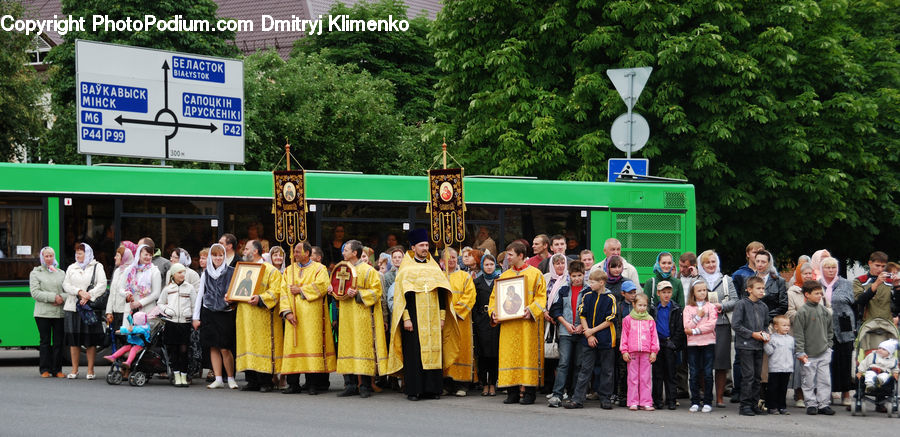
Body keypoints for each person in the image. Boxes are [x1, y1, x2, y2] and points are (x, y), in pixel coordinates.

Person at [385, 231, 459, 401]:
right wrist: (406, 318)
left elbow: (442, 295)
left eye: (426, 245)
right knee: (414, 354)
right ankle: (414, 390)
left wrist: (441, 317)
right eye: (421, 246)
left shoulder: (434, 268)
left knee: (434, 352)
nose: (425, 248)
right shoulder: (406, 269)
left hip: (433, 319)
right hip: (414, 319)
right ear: (413, 248)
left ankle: (433, 389)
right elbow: (401, 297)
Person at [490, 241, 547, 405]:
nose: (507, 257)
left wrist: (531, 310)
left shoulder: (535, 274)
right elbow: (494, 299)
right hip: (508, 326)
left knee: (527, 357)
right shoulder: (504, 276)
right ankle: (512, 392)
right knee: (510, 356)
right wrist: (493, 313)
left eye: (510, 255)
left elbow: (541, 297)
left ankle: (529, 393)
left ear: (520, 256)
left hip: (526, 325)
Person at [335, 239, 388, 398]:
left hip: (362, 317)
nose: (343, 252)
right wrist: (333, 289)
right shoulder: (342, 268)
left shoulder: (368, 270)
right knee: (347, 347)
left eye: (346, 250)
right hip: (346, 315)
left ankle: (364, 386)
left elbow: (376, 291)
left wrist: (358, 293)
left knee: (362, 348)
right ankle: (350, 385)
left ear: (354, 253)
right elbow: (338, 289)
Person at [279, 241, 332, 395]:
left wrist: (301, 289)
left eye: (297, 251)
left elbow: (322, 286)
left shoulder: (319, 269)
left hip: (311, 318)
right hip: (293, 317)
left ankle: (312, 384)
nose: (294, 254)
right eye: (294, 251)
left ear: (307, 253)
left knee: (311, 347)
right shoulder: (289, 270)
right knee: (293, 346)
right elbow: (283, 292)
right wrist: (287, 312)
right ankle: (293, 384)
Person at [235, 240, 284, 392]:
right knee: (247, 345)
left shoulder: (270, 270)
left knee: (263, 347)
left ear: (255, 251)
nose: (244, 252)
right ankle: (252, 380)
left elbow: (276, 291)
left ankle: (266, 381)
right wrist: (230, 297)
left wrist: (261, 299)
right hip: (245, 316)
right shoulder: (242, 270)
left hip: (263, 317)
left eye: (246, 249)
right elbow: (237, 289)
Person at [564, 268, 615, 409]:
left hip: (606, 339)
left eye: (592, 282)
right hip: (589, 338)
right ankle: (578, 399)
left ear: (602, 282)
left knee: (607, 370)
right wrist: (588, 333)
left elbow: (610, 319)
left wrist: (593, 330)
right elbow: (582, 314)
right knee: (585, 368)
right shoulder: (587, 296)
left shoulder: (610, 298)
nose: (590, 284)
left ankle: (605, 398)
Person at [192, 243, 238, 389]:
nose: (218, 258)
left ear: (224, 256)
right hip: (209, 311)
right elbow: (200, 295)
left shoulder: (231, 271)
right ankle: (218, 378)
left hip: (225, 313)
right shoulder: (206, 273)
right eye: (215, 255)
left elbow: (237, 292)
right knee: (213, 346)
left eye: (220, 255)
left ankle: (230, 377)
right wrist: (196, 316)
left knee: (225, 347)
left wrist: (231, 299)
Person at [697, 250, 738, 408]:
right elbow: (691, 301)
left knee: (721, 362)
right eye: (707, 262)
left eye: (713, 261)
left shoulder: (726, 280)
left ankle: (719, 398)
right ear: (702, 264)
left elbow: (735, 300)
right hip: (702, 324)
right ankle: (705, 395)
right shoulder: (697, 280)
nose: (711, 265)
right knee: (703, 361)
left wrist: (722, 305)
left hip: (721, 324)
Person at [62, 242, 107, 379]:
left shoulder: (97, 266)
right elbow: (65, 285)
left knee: (90, 340)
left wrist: (89, 295)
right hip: (72, 307)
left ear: (87, 254)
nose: (78, 255)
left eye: (80, 253)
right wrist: (79, 291)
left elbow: (102, 284)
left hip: (89, 307)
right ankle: (74, 370)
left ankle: (90, 370)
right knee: (73, 340)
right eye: (76, 253)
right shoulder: (71, 267)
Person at [729, 241, 765, 403]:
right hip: (744, 319)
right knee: (741, 360)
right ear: (748, 254)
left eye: (761, 252)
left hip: (761, 317)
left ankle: (755, 398)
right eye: (754, 252)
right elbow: (737, 297)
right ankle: (740, 392)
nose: (757, 255)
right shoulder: (739, 274)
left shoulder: (769, 274)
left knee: (757, 368)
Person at [794, 280, 835, 416]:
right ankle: (811, 403)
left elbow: (830, 330)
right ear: (807, 294)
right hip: (808, 354)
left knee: (825, 380)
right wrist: (800, 351)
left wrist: (829, 345)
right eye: (816, 293)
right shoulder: (802, 312)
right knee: (808, 380)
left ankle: (824, 403)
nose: (819, 296)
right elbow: (798, 334)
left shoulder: (824, 311)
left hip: (824, 352)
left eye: (820, 293)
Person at [820, 257, 855, 407]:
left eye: (833, 267)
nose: (831, 270)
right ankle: (828, 392)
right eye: (827, 267)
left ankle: (846, 394)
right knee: (827, 361)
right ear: (822, 269)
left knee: (845, 360)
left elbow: (852, 302)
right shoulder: (817, 284)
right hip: (823, 327)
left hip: (844, 326)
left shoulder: (846, 284)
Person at [548, 258, 583, 407]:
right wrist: (566, 324)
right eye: (573, 276)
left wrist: (582, 325)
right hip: (565, 332)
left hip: (582, 332)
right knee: (563, 363)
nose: (576, 279)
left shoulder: (588, 290)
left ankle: (574, 394)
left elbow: (590, 311)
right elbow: (555, 309)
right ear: (569, 275)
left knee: (578, 364)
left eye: (579, 275)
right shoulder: (563, 290)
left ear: (584, 274)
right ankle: (557, 394)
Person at [732, 276, 769, 416]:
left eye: (763, 288)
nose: (761, 291)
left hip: (758, 346)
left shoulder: (763, 306)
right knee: (748, 375)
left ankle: (754, 404)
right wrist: (752, 334)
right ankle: (745, 405)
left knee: (757, 377)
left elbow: (765, 325)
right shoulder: (741, 304)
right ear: (749, 289)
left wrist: (765, 334)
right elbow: (736, 325)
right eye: (758, 288)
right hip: (745, 345)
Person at [156, 263, 197, 387]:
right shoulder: (168, 289)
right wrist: (167, 310)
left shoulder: (189, 288)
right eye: (179, 272)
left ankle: (184, 375)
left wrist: (193, 317)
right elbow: (160, 302)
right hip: (172, 322)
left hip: (185, 323)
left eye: (184, 272)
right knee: (173, 350)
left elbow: (194, 305)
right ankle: (176, 375)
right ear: (173, 274)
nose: (182, 275)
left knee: (184, 350)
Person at [443, 247, 477, 397]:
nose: (451, 260)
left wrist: (455, 311)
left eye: (454, 257)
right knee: (445, 350)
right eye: (448, 257)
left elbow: (470, 296)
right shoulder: (438, 276)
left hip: (460, 320)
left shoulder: (465, 276)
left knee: (461, 349)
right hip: (443, 320)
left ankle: (462, 384)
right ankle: (446, 384)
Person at [30, 246, 66, 378]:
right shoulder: (35, 273)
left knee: (58, 341)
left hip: (59, 312)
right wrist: (53, 297)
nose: (49, 258)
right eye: (46, 256)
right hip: (43, 313)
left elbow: (68, 290)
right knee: (45, 341)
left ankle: (57, 369)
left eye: (51, 255)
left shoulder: (61, 273)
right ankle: (44, 369)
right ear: (42, 258)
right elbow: (35, 292)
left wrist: (61, 298)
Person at [683, 279, 717, 413]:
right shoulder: (688, 308)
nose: (703, 292)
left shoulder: (711, 307)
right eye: (699, 290)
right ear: (693, 293)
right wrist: (698, 317)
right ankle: (695, 401)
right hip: (693, 344)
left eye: (704, 290)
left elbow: (711, 325)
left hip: (708, 342)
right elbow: (686, 326)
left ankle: (708, 401)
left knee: (708, 373)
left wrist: (695, 331)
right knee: (694, 372)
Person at [620, 293, 659, 411]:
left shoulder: (650, 320)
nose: (642, 308)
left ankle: (646, 401)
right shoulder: (628, 319)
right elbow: (624, 336)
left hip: (646, 352)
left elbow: (654, 336)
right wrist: (624, 351)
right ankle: (633, 401)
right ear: (634, 304)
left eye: (644, 305)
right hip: (632, 352)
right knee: (632, 377)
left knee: (646, 377)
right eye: (640, 305)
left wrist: (654, 351)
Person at [650, 281, 684, 410]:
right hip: (658, 343)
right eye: (664, 292)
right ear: (658, 293)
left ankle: (671, 399)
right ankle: (657, 400)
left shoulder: (676, 308)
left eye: (669, 292)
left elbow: (680, 328)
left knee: (671, 373)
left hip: (670, 343)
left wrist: (674, 343)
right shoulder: (654, 309)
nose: (666, 295)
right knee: (657, 373)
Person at [785, 261, 814, 408]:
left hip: (815, 333)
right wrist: (808, 314)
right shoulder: (792, 291)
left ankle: (812, 394)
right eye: (805, 273)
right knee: (799, 364)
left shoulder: (817, 289)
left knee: (813, 364)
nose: (808, 276)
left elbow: (827, 309)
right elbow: (789, 312)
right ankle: (799, 394)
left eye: (810, 273)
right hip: (798, 332)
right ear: (799, 275)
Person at [473, 253, 501, 397]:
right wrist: (477, 320)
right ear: (482, 266)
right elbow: (473, 303)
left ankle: (493, 383)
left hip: (496, 321)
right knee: (482, 354)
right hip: (481, 321)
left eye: (491, 265)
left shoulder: (500, 280)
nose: (489, 267)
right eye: (486, 265)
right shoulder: (476, 282)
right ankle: (484, 383)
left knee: (494, 354)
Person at [764, 315, 794, 414]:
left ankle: (782, 406)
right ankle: (772, 406)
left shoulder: (791, 339)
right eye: (784, 325)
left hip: (787, 368)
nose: (787, 327)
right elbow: (769, 352)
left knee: (783, 388)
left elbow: (793, 352)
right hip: (775, 368)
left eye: (788, 325)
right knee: (773, 388)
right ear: (776, 327)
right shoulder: (773, 338)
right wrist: (766, 343)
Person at [853, 251, 892, 324]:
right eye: (877, 265)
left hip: (888, 324)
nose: (880, 269)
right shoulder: (860, 280)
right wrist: (876, 284)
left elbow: (896, 304)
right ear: (870, 263)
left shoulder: (890, 282)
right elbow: (859, 301)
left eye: (883, 266)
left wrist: (897, 287)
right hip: (868, 324)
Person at [124, 244, 162, 317]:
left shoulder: (154, 270)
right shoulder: (132, 270)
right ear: (139, 254)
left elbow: (156, 294)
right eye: (146, 254)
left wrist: (139, 303)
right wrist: (128, 295)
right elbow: (124, 288)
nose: (148, 257)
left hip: (148, 309)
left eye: (150, 255)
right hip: (131, 308)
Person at [105, 245, 134, 335]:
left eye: (117, 255)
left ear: (124, 258)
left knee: (125, 339)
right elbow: (112, 292)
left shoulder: (131, 272)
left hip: (125, 312)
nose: (115, 258)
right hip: (115, 312)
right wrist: (109, 312)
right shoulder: (117, 271)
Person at [754, 250, 788, 322]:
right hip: (752, 323)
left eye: (763, 262)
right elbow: (744, 303)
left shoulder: (779, 281)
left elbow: (783, 306)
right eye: (757, 261)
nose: (759, 264)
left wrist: (767, 318)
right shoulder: (748, 280)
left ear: (769, 263)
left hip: (771, 323)